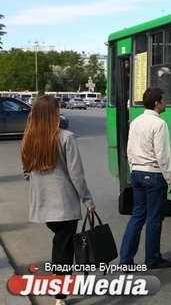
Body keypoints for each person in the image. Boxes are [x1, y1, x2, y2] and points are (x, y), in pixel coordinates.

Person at [21, 95, 95, 305]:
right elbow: (76, 174)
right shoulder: (65, 137)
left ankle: (58, 284)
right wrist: (88, 200)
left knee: (60, 243)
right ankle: (60, 296)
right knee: (63, 248)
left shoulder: (29, 138)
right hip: (63, 205)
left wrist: (42, 183)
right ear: (54, 114)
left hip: (43, 204)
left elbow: (27, 172)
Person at [120, 87, 171, 269]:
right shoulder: (159, 124)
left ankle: (126, 259)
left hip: (137, 172)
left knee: (137, 216)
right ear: (157, 103)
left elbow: (130, 149)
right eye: (164, 99)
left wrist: (134, 169)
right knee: (154, 219)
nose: (166, 102)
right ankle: (152, 258)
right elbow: (163, 155)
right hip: (153, 174)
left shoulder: (136, 121)